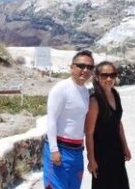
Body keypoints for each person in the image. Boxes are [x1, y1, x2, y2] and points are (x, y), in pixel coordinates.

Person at [43, 50, 94, 189]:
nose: (85, 70)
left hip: (77, 151)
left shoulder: (85, 91)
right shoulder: (61, 89)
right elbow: (51, 119)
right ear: (72, 67)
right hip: (60, 149)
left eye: (90, 67)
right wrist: (54, 150)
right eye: (81, 66)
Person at [85, 61, 131, 189]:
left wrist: (125, 146)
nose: (109, 78)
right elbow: (89, 132)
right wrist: (91, 159)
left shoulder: (115, 94)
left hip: (116, 152)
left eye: (112, 75)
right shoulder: (95, 100)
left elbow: (118, 122)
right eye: (104, 75)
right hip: (102, 155)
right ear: (97, 76)